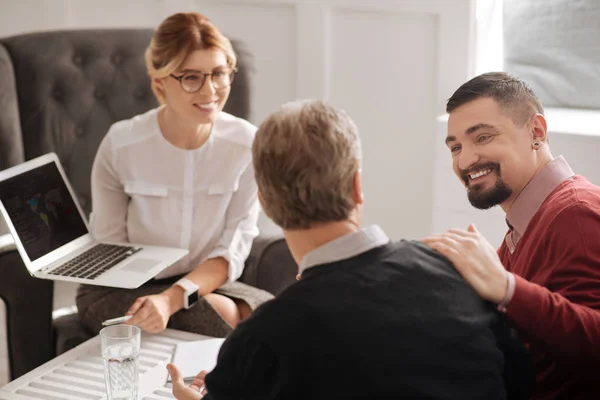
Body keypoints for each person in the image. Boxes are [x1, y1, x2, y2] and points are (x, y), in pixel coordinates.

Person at [167, 99, 534, 399]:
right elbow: (520, 379)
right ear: (357, 186)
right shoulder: (461, 268)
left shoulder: (261, 340)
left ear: (266, 203)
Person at [76, 12, 273, 338]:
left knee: (276, 319)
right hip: (122, 287)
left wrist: (171, 300)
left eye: (219, 74)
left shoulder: (246, 145)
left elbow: (230, 251)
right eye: (191, 77)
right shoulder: (122, 144)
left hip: (204, 283)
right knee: (221, 319)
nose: (210, 90)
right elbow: (110, 250)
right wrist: (157, 300)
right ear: (159, 82)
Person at [423, 72, 600, 399]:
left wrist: (507, 288)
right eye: (455, 147)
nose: (465, 160)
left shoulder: (574, 213)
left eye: (483, 138)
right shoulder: (522, 232)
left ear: (536, 132)